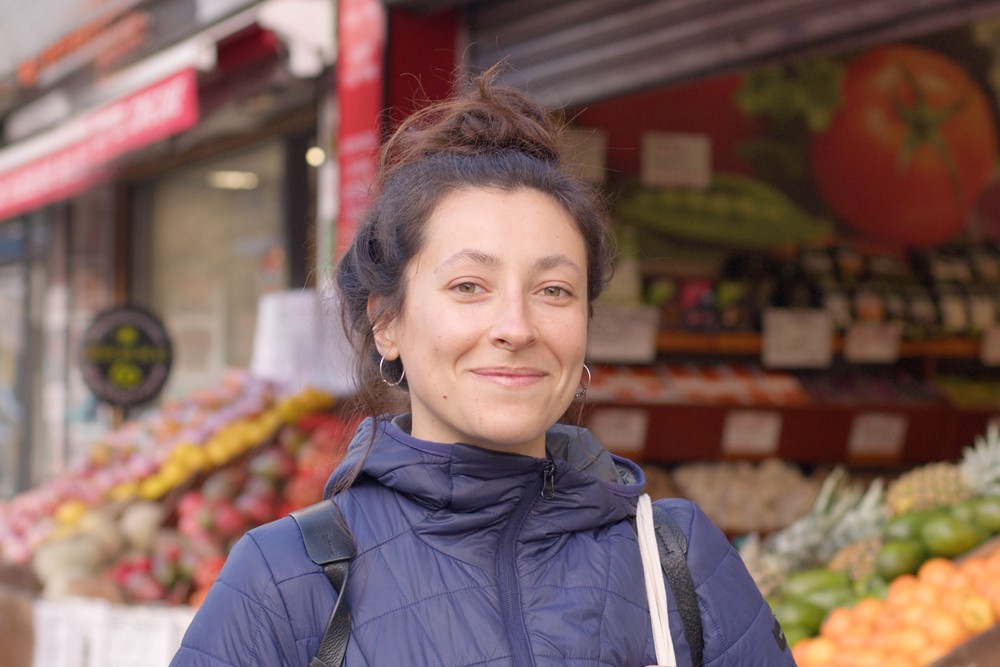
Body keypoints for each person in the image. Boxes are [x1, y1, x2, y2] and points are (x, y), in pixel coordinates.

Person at [170, 66, 796, 667]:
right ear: (387, 321)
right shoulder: (289, 578)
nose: (517, 328)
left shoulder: (675, 564)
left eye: (554, 290)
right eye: (469, 286)